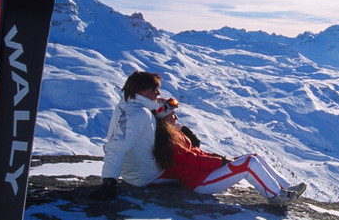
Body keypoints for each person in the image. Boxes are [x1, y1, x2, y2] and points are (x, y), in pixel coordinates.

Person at [92, 71, 306, 203]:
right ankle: (276, 196)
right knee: (248, 162)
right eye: (155, 90)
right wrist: (109, 181)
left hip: (145, 172)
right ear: (142, 90)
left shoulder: (134, 109)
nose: (158, 94)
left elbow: (190, 148)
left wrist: (180, 127)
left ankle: (285, 188)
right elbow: (116, 148)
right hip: (148, 176)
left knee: (252, 157)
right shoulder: (137, 114)